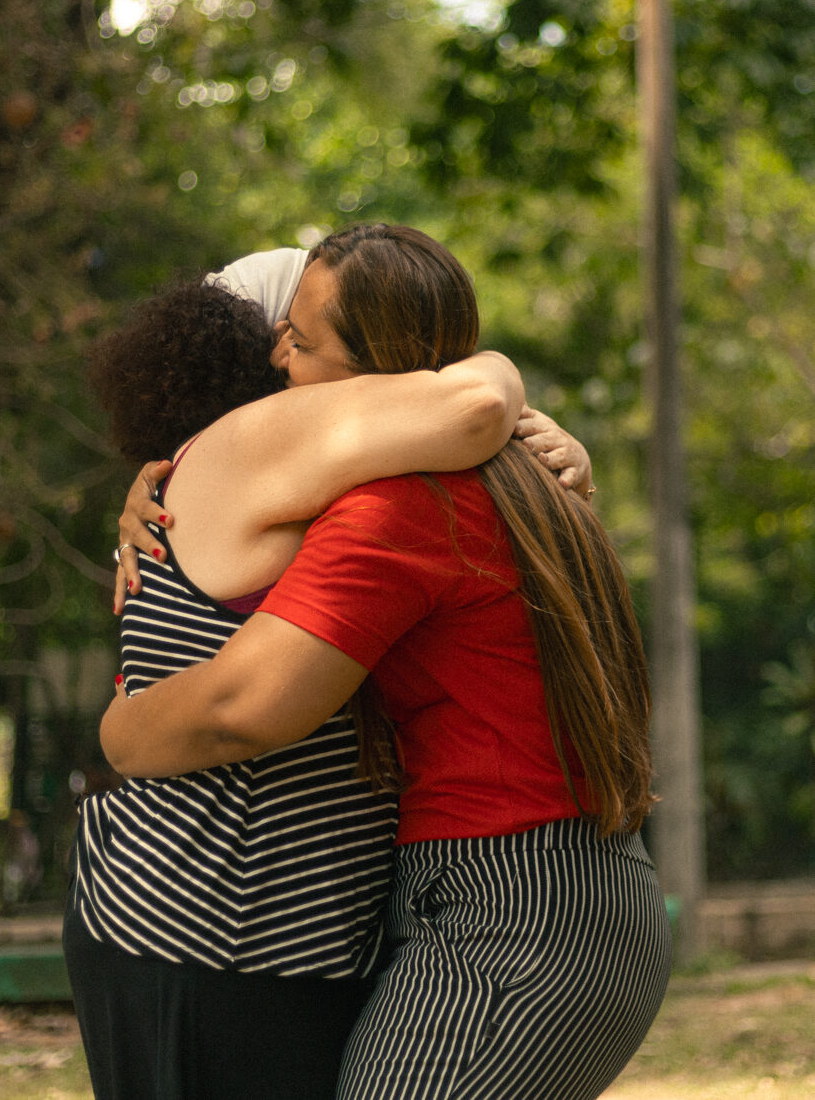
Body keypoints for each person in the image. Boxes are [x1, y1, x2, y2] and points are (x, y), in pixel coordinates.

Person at [102, 223, 672, 1100]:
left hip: (512, 906)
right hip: (564, 886)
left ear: (378, 371)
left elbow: (245, 707)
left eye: (299, 339)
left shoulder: (403, 506)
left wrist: (116, 727)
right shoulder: (518, 475)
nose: (275, 359)